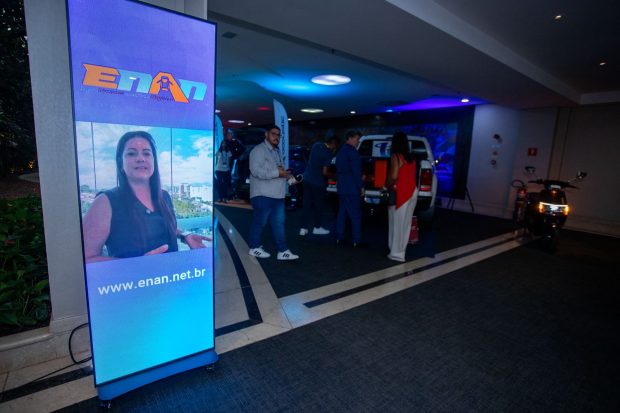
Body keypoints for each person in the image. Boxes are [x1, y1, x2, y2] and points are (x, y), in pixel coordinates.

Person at [82, 131, 209, 263]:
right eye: (131, 153)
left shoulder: (164, 196)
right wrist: (137, 265)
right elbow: (85, 258)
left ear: (154, 161)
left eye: (147, 153)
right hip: (132, 277)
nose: (140, 158)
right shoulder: (105, 202)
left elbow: (161, 227)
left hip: (174, 274)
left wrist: (185, 235)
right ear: (120, 162)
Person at [247, 125, 300, 260]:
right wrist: (278, 173)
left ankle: (283, 251)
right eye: (273, 134)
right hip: (262, 194)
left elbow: (278, 172)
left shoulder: (276, 152)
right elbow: (256, 171)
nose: (276, 137)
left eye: (278, 135)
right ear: (266, 135)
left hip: (277, 195)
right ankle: (254, 247)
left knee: (278, 224)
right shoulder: (258, 150)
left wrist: (288, 178)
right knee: (260, 222)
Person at [385, 131, 418, 262]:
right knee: (406, 224)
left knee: (396, 223)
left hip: (401, 192)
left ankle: (396, 254)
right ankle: (400, 250)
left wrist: (386, 185)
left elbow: (393, 176)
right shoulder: (411, 157)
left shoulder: (396, 156)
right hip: (412, 191)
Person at [299, 135, 339, 236]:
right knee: (319, 206)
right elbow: (325, 172)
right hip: (318, 184)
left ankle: (303, 229)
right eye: (335, 146)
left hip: (307, 180)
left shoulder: (316, 145)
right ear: (333, 144)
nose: (335, 149)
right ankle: (317, 228)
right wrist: (335, 176)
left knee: (306, 205)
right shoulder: (328, 154)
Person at [335, 130, 364, 247]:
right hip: (352, 188)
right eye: (357, 139)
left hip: (342, 187)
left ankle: (339, 237)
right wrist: (361, 187)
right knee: (355, 214)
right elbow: (356, 172)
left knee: (342, 213)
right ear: (350, 138)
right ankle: (357, 240)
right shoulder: (353, 153)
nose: (358, 142)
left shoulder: (340, 151)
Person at [225, 129, 245, 199]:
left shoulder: (236, 141)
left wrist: (235, 153)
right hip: (226, 162)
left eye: (229, 134)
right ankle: (228, 192)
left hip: (233, 161)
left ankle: (234, 192)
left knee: (233, 176)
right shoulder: (225, 142)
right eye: (227, 134)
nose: (228, 135)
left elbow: (242, 149)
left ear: (232, 134)